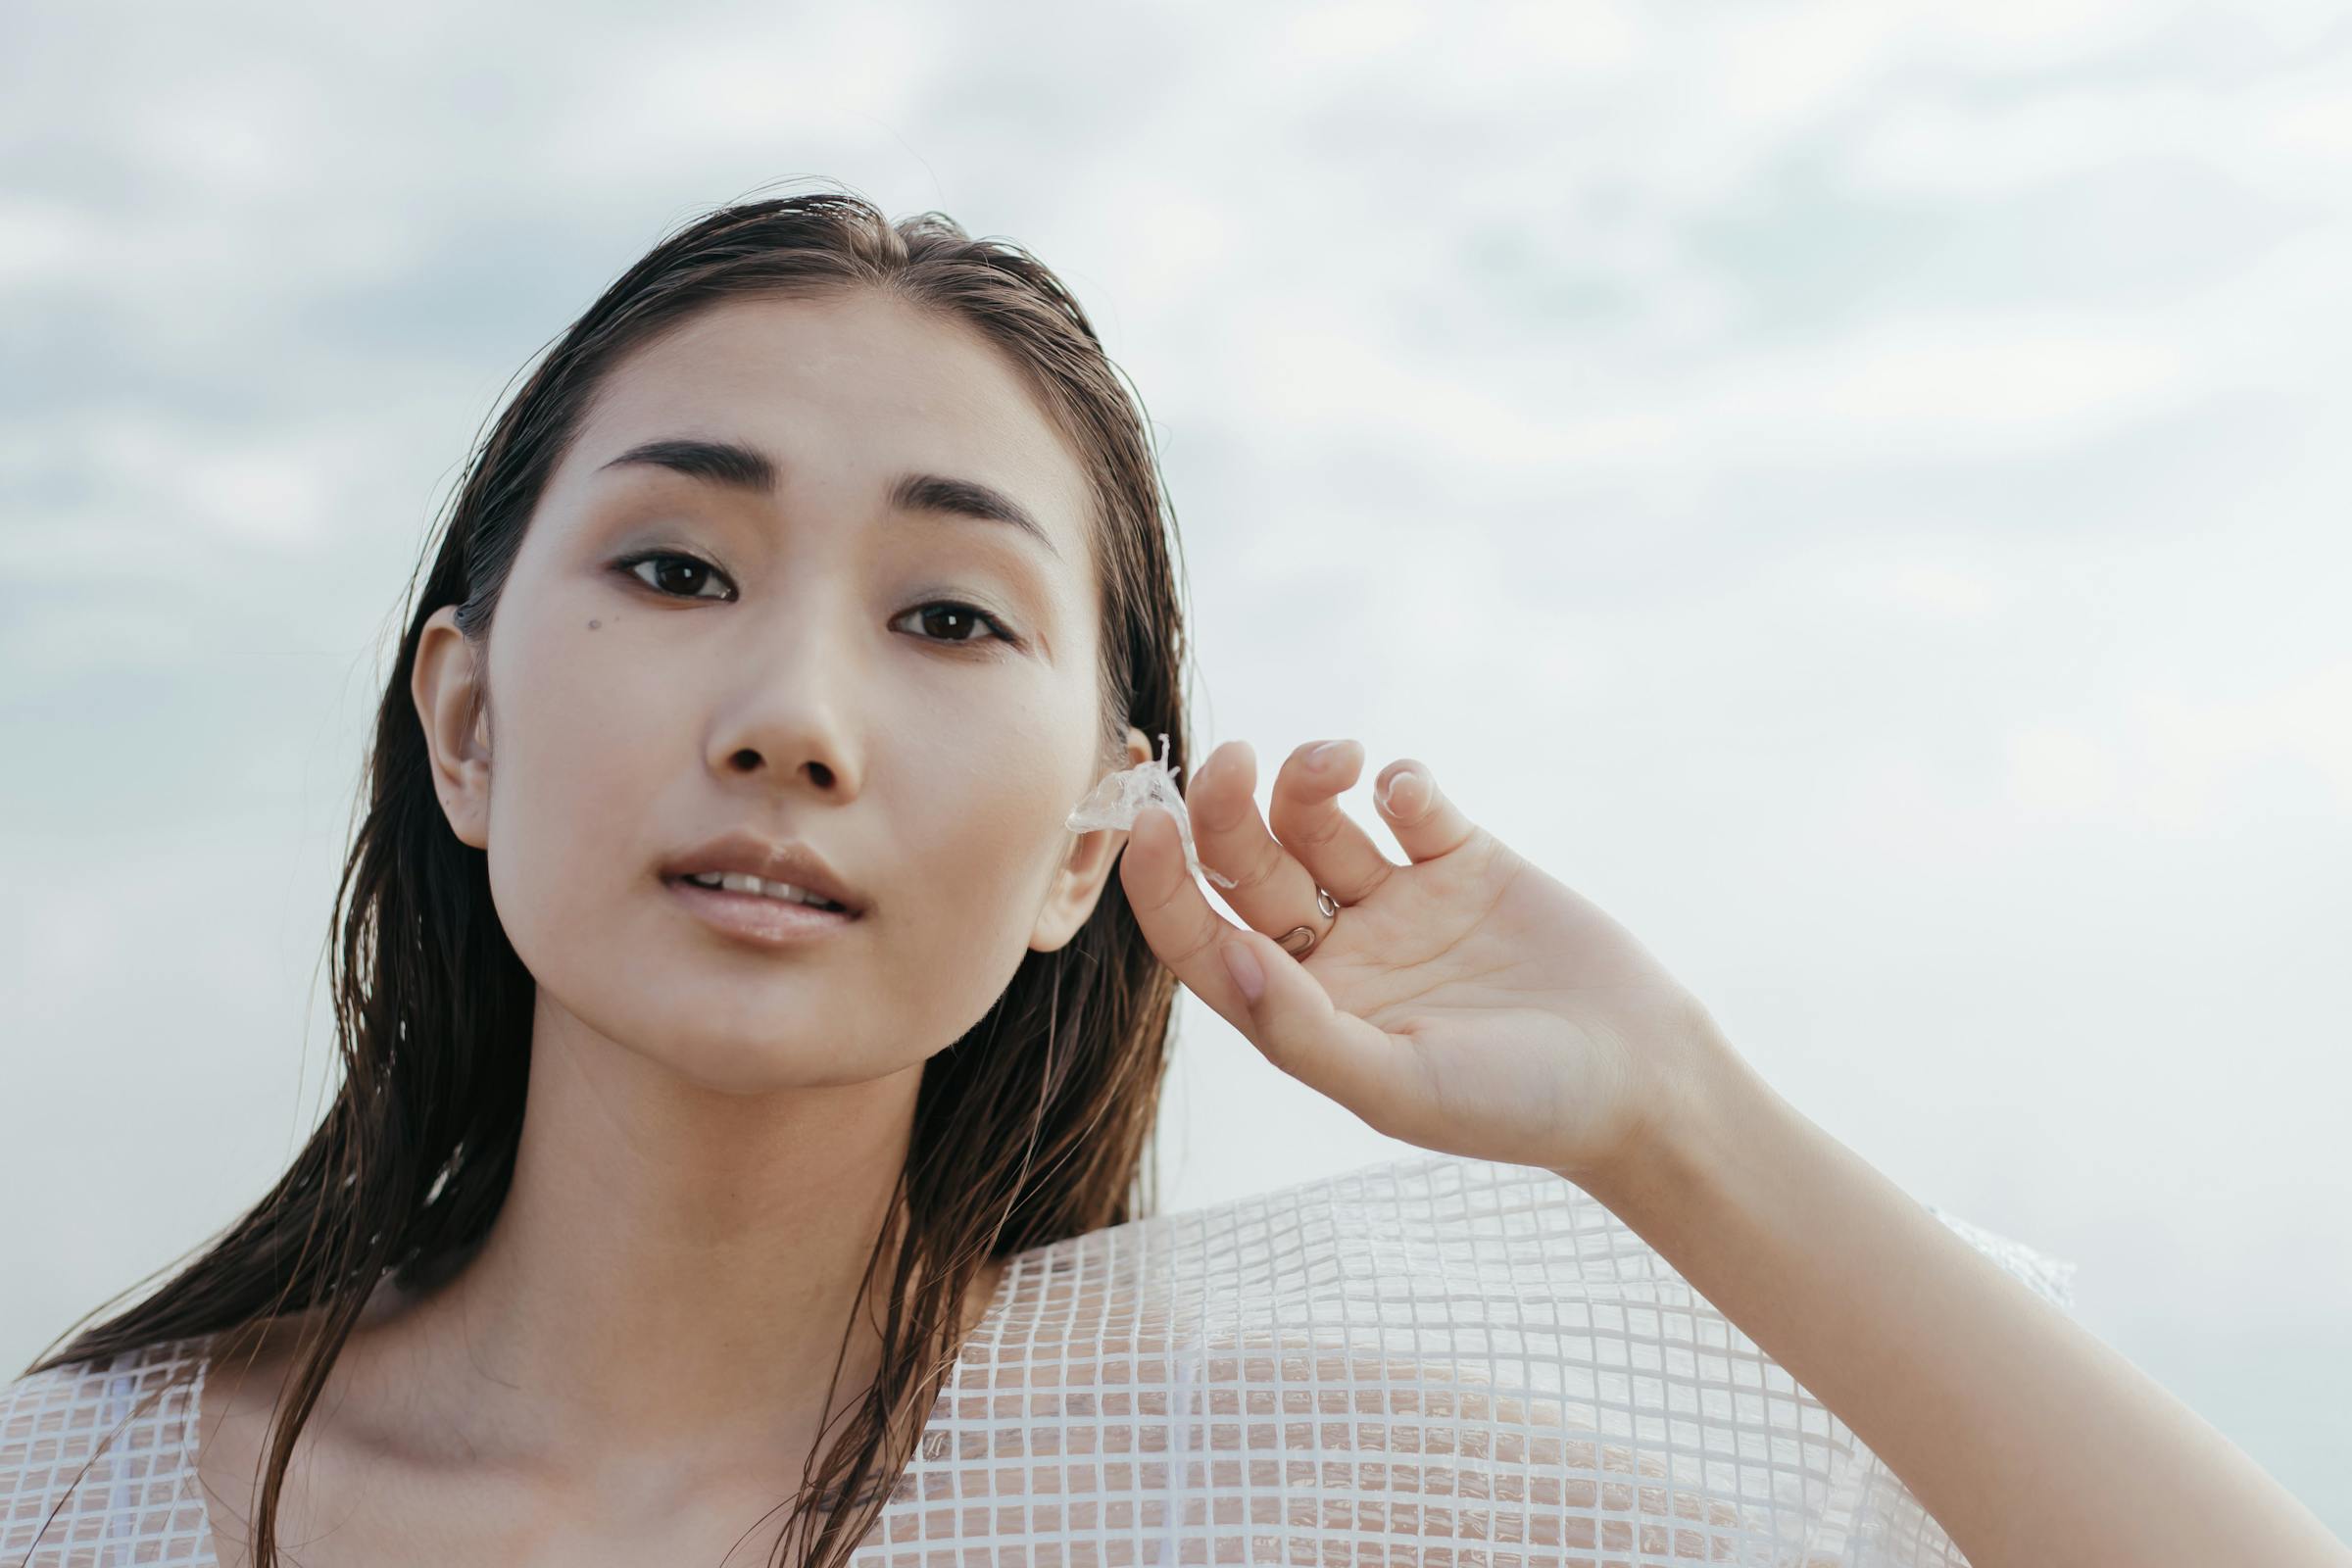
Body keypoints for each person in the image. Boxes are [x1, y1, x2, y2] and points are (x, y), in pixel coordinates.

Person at [2, 184, 2342, 1568]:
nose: (794, 712)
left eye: (949, 617)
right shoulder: (71, 1498)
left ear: (1083, 843)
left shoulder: (1257, 1476)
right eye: (679, 563)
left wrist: (1668, 1110)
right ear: (468, 719)